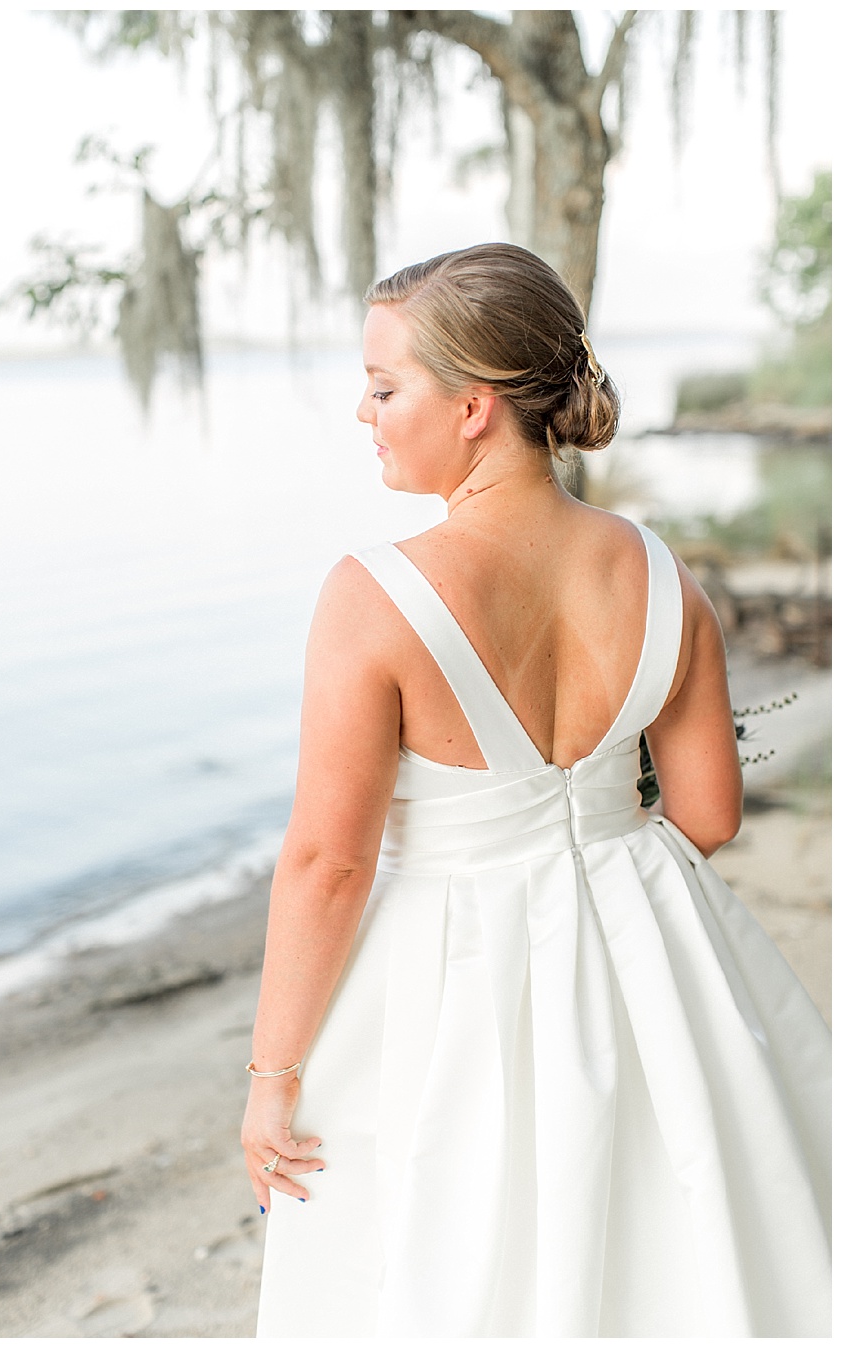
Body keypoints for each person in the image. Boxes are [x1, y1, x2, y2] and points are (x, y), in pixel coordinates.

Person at [245, 243, 830, 1336]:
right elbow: (707, 816)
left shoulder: (372, 596)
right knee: (665, 1247)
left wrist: (273, 1073)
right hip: (648, 945)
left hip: (448, 970)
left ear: (474, 407)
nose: (362, 411)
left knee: (437, 1259)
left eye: (383, 387)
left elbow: (329, 862)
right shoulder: (662, 574)